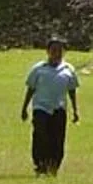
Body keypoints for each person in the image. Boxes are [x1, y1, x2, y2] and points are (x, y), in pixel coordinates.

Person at [19, 39, 81, 176]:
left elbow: (72, 91)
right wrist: (24, 108)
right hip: (41, 107)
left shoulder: (68, 70)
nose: (56, 53)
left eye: (60, 50)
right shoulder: (38, 69)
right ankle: (40, 165)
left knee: (57, 138)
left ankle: (53, 166)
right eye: (53, 50)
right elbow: (31, 89)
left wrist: (75, 110)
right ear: (47, 52)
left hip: (59, 108)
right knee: (40, 136)